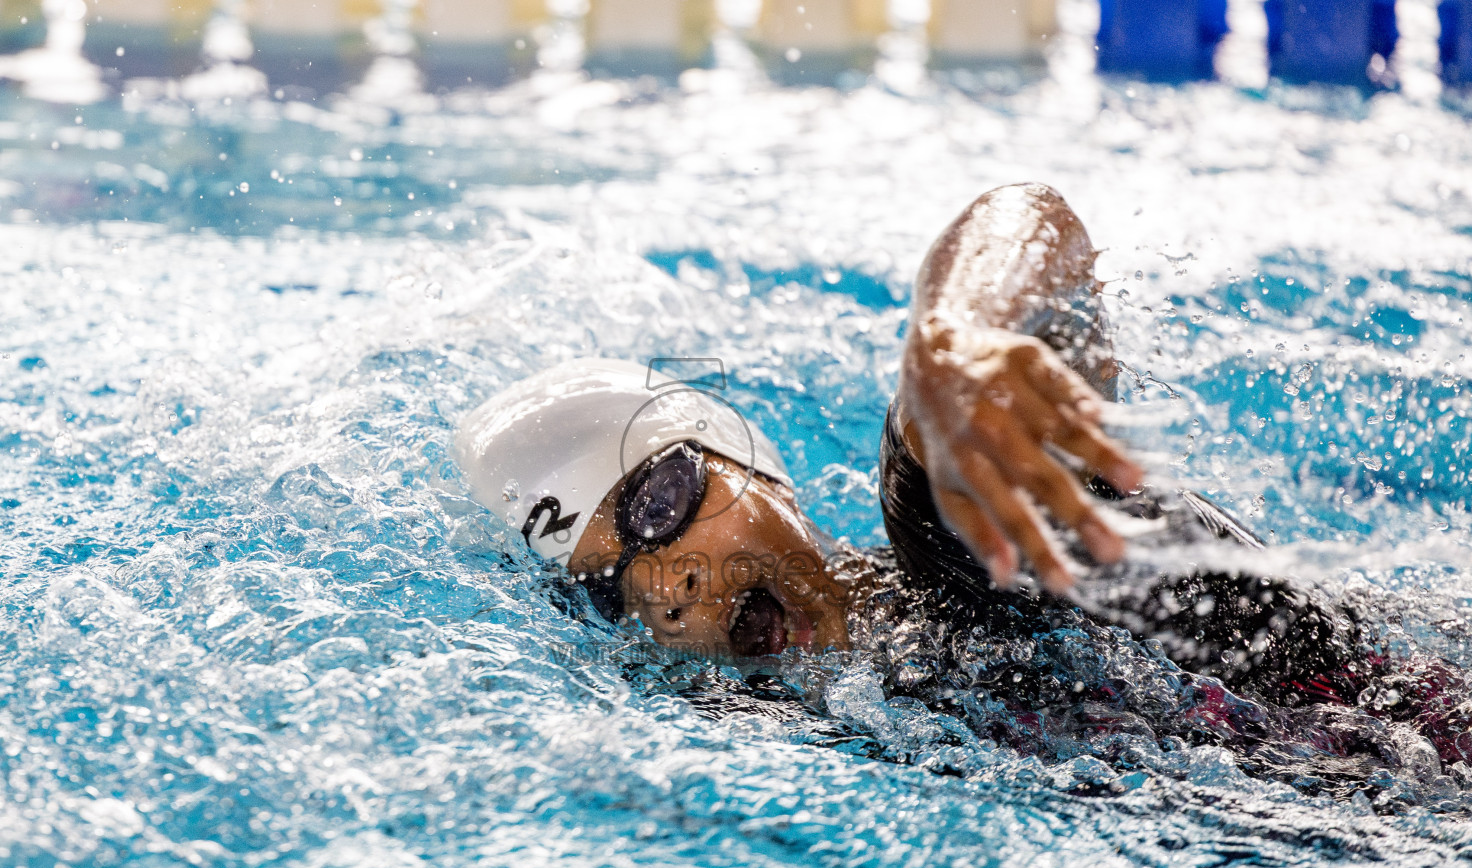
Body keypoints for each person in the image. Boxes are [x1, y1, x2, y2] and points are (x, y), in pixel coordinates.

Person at [455, 183, 1471, 774]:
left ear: (747, 456)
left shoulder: (958, 529)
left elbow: (1029, 220)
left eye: (658, 506)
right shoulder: (805, 731)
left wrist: (956, 341)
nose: (663, 586)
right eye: (606, 587)